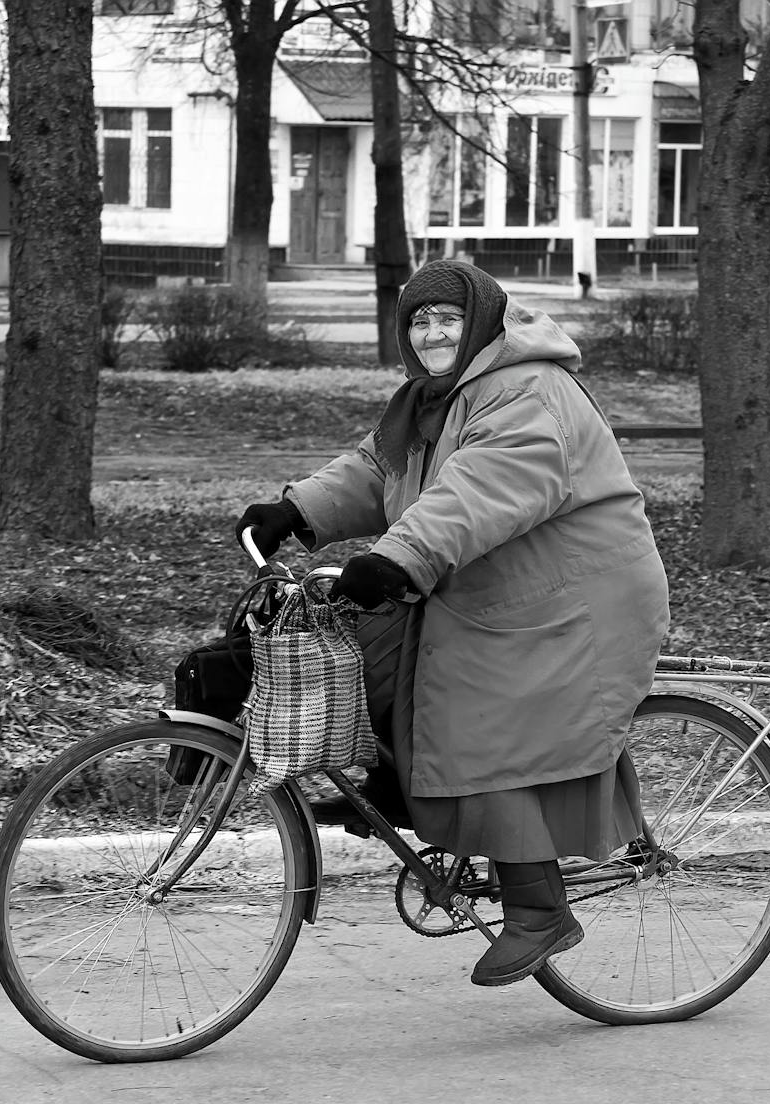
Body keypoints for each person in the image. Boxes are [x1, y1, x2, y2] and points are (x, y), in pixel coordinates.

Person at [234, 260, 669, 988]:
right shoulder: (437, 398)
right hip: (501, 583)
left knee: (475, 714)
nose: (432, 332)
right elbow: (383, 470)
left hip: (576, 594)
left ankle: (540, 910)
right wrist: (298, 510)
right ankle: (413, 793)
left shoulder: (528, 389)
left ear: (483, 323)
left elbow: (487, 484)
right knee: (373, 654)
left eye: (448, 319)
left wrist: (399, 554)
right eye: (419, 321)